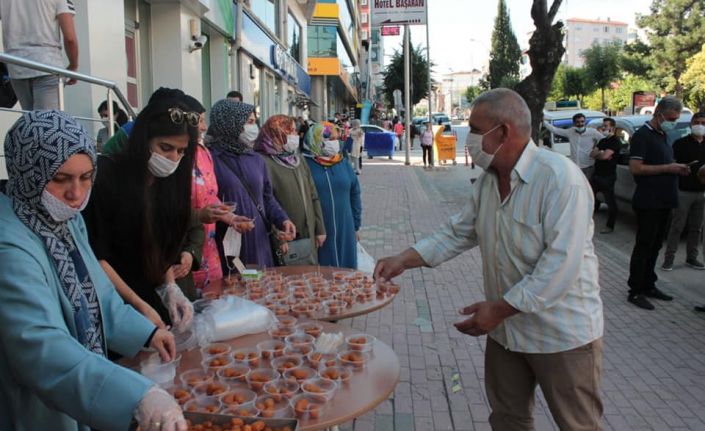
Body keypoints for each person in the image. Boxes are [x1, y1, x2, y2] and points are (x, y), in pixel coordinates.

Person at [375, 89, 604, 430]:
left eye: (475, 128)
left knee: (577, 424)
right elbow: (459, 232)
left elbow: (560, 268)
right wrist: (404, 259)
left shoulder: (560, 179)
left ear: (504, 132)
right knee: (508, 419)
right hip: (507, 332)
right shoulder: (488, 182)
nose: (470, 138)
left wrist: (498, 309)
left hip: (561, 334)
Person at [0, 110, 186, 431]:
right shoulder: (9, 244)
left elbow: (97, 294)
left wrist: (147, 333)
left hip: (81, 385)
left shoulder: (65, 220)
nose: (76, 194)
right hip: (36, 406)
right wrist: (135, 397)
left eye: (86, 178)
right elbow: (40, 346)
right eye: (60, 179)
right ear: (28, 172)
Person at [82, 91, 197, 329]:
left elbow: (159, 243)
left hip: (149, 295)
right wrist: (138, 305)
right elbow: (96, 255)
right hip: (111, 301)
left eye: (181, 151)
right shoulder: (106, 175)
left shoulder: (168, 183)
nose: (173, 158)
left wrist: (170, 288)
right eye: (165, 147)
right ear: (143, 140)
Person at [209, 99, 296, 269]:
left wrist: (282, 219)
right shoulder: (211, 159)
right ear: (231, 123)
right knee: (237, 289)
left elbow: (267, 198)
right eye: (249, 122)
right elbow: (206, 201)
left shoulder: (255, 159)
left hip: (259, 242)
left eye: (254, 122)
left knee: (261, 286)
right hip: (229, 245)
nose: (253, 127)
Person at [627, 96, 691, 310]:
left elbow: (663, 162)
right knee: (644, 245)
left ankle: (648, 284)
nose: (673, 121)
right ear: (659, 114)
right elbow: (636, 168)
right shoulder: (642, 136)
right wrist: (667, 168)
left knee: (655, 245)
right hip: (648, 200)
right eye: (671, 118)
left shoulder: (663, 135)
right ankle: (635, 290)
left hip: (665, 199)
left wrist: (677, 166)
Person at [254, 115, 326, 265]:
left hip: (309, 234)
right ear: (277, 133)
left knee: (309, 281)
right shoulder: (263, 162)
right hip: (286, 238)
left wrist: (320, 228)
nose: (295, 136)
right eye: (290, 131)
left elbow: (313, 195)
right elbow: (265, 203)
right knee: (289, 283)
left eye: (295, 131)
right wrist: (277, 237)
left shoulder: (298, 160)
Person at [0, 0, 79, 110]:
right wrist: (73, 66)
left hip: (16, 65)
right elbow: (70, 38)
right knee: (47, 122)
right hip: (47, 64)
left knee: (31, 120)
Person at [304, 122, 362, 268]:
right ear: (317, 141)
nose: (334, 143)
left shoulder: (342, 163)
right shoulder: (305, 165)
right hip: (320, 229)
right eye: (329, 139)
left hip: (345, 227)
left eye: (336, 139)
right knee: (323, 277)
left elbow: (355, 193)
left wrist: (356, 225)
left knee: (346, 271)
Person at [662, 112, 705, 271]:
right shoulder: (680, 144)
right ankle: (669, 259)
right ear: (691, 124)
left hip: (701, 192)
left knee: (697, 228)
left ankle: (691, 258)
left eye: (703, 122)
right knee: (677, 226)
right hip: (683, 191)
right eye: (697, 122)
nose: (700, 125)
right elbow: (672, 164)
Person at [543, 113, 604, 177]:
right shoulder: (570, 132)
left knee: (588, 186)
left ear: (585, 122)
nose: (580, 124)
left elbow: (604, 141)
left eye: (582, 121)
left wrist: (597, 149)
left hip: (588, 167)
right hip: (575, 167)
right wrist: (544, 122)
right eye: (577, 122)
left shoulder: (592, 132)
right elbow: (555, 130)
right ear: (574, 123)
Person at [589, 117, 622, 234]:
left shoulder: (615, 141)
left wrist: (602, 154)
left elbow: (604, 156)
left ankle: (610, 225)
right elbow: (592, 154)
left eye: (606, 126)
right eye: (603, 126)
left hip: (608, 176)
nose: (603, 128)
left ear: (612, 127)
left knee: (610, 202)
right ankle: (586, 223)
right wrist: (601, 153)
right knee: (589, 199)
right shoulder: (602, 141)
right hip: (597, 174)